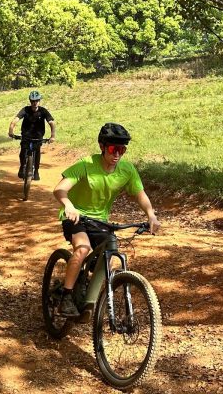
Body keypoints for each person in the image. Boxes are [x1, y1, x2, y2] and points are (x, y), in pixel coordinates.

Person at [53, 122, 161, 317]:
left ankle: (88, 301)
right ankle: (66, 297)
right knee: (83, 248)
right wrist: (68, 205)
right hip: (76, 217)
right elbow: (59, 189)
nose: (117, 154)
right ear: (102, 147)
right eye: (113, 149)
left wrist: (151, 215)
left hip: (100, 221)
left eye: (122, 150)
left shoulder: (127, 170)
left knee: (109, 255)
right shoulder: (85, 165)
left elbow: (140, 194)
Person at [8, 90, 56, 181]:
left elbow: (52, 123)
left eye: (37, 101)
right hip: (26, 135)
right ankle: (22, 166)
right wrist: (11, 131)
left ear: (39, 101)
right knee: (23, 150)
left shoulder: (43, 111)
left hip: (38, 136)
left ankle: (36, 171)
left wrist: (52, 136)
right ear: (30, 101)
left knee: (37, 151)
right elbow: (15, 120)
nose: (35, 103)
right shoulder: (25, 110)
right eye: (33, 101)